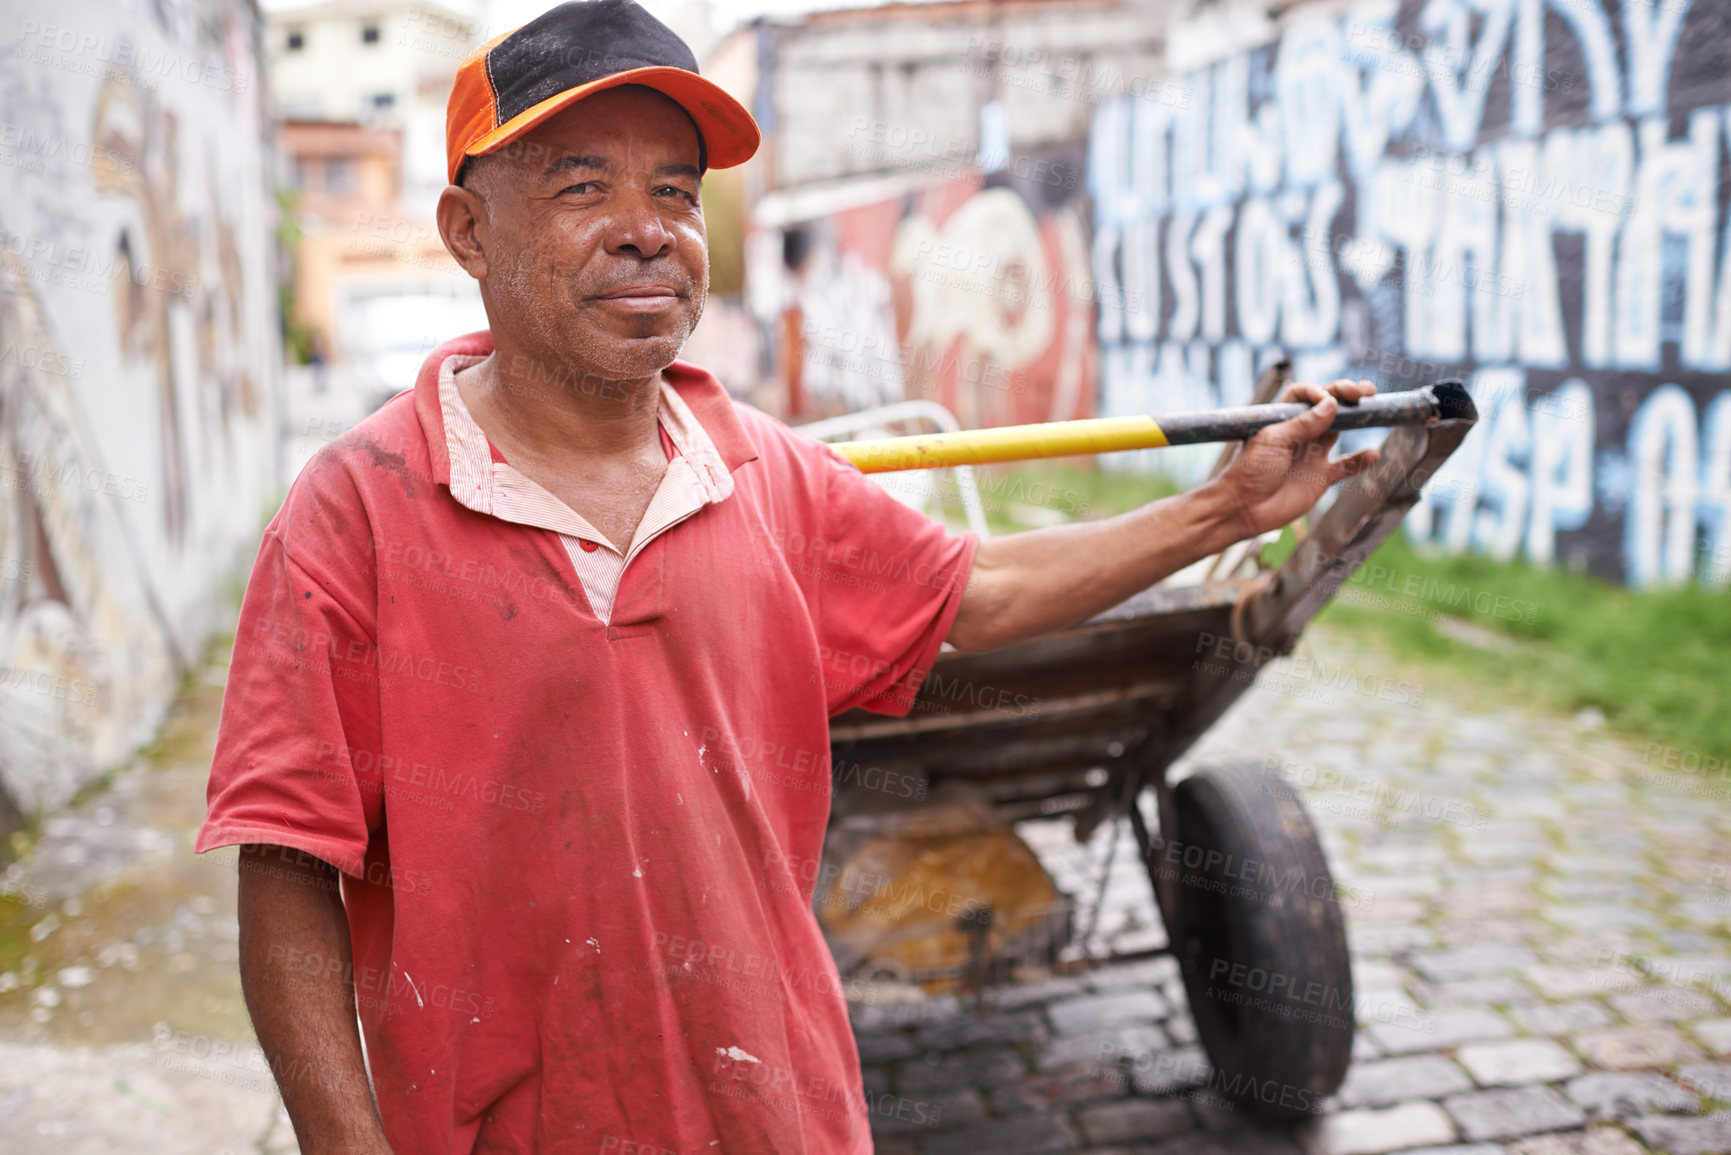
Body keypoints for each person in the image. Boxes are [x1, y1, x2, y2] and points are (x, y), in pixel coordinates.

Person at [197, 1, 1378, 1151]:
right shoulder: (354, 513)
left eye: (675, 189)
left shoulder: (766, 474)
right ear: (469, 233)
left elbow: (987, 594)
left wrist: (1225, 505)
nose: (646, 226)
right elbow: (291, 867)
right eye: (581, 185)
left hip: (778, 1109)